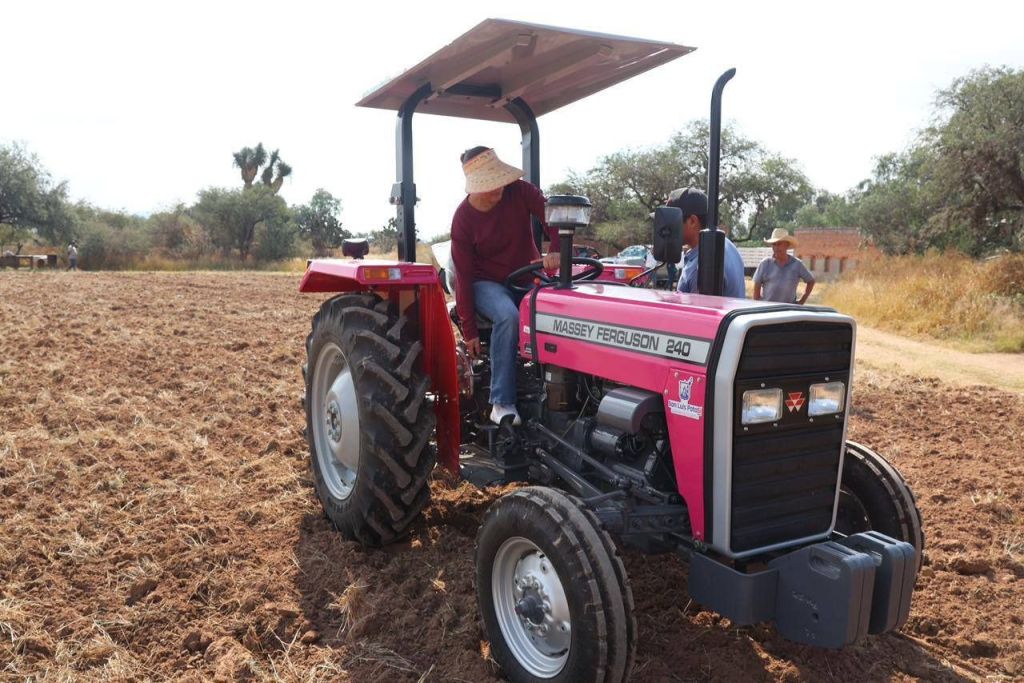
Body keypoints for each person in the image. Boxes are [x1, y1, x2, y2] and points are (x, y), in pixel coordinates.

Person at [450, 146, 560, 426]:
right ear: (475, 187)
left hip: (526, 275)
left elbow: (553, 216)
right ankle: (501, 402)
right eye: (490, 184)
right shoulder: (463, 219)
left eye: (499, 180)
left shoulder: (520, 191)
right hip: (486, 283)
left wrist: (556, 248)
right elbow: (462, 276)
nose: (498, 188)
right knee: (508, 315)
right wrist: (470, 329)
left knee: (561, 308)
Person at [670, 188, 745, 298]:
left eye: (672, 221)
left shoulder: (701, 268)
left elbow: (695, 314)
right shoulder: (726, 244)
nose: (667, 228)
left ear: (692, 221)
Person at [752, 228, 815, 304]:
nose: (776, 248)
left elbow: (811, 281)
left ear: (787, 245)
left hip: (788, 311)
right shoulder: (765, 264)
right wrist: (758, 305)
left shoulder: (797, 264)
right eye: (774, 244)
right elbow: (756, 290)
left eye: (779, 244)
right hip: (768, 311)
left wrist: (802, 301)